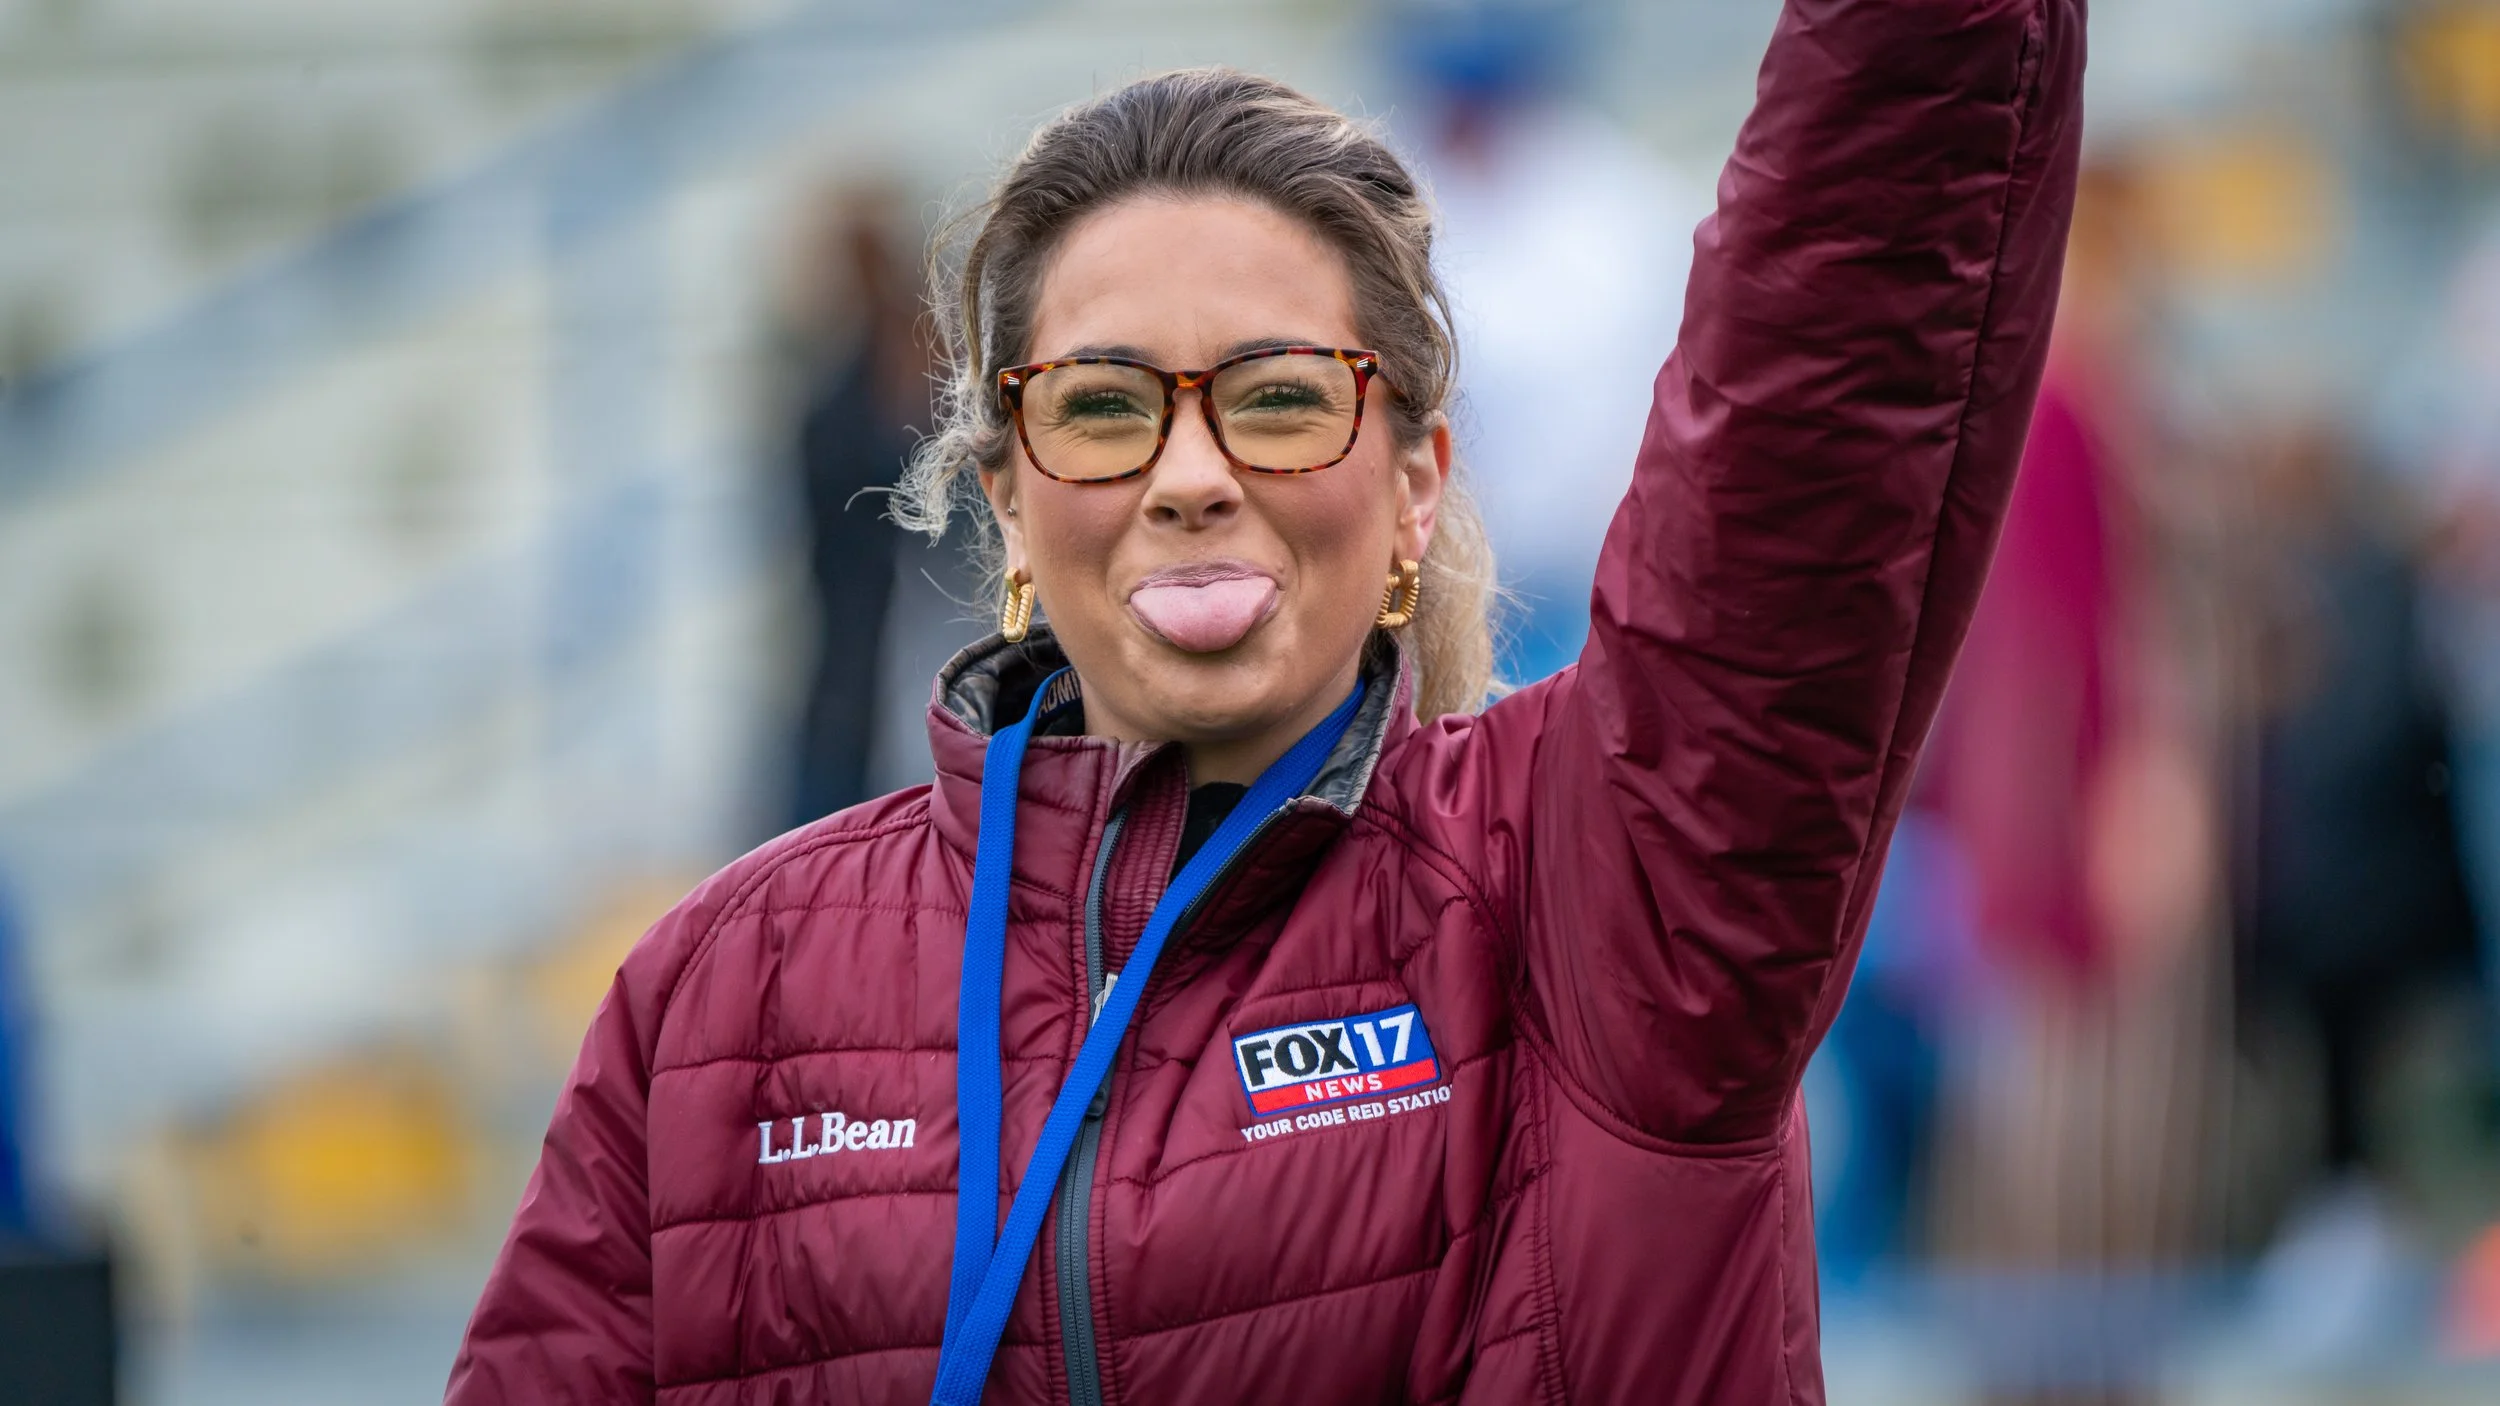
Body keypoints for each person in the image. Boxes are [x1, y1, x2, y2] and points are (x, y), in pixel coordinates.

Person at [446, 2, 2084, 1401]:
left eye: (1281, 396)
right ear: (1008, 497)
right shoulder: (720, 997)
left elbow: (1844, 349)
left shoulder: (1595, 891)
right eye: (1101, 408)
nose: (1191, 474)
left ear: (1420, 485)